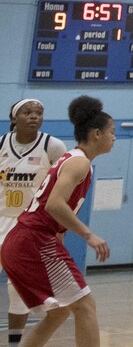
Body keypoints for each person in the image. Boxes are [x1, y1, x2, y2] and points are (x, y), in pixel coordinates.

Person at [0, 96, 114, 347]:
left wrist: (60, 234)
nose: (113, 138)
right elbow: (53, 204)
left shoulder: (71, 157)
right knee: (85, 307)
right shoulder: (79, 162)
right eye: (111, 132)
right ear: (96, 134)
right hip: (32, 239)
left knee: (61, 311)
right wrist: (89, 235)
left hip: (26, 239)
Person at [0, 99, 68, 345]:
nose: (34, 117)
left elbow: (67, 187)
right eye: (27, 112)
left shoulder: (53, 146)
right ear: (14, 118)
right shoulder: (1, 144)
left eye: (39, 113)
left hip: (30, 224)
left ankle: (14, 343)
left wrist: (61, 226)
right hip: (1, 218)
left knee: (17, 289)